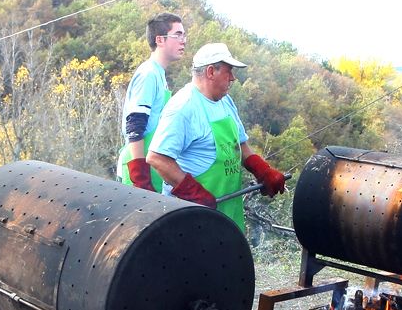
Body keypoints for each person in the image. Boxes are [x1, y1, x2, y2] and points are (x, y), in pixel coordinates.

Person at [146, 42, 286, 231]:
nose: (233, 78)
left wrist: (263, 171)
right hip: (189, 219)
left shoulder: (225, 101)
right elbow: (157, 158)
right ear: (211, 72)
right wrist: (194, 193)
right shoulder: (183, 107)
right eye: (228, 72)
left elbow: (240, 145)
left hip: (227, 213)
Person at [117, 13, 186, 193]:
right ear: (160, 40)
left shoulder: (159, 74)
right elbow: (135, 125)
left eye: (184, 35)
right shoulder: (148, 74)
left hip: (153, 165)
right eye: (178, 35)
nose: (183, 40)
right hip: (139, 168)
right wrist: (139, 176)